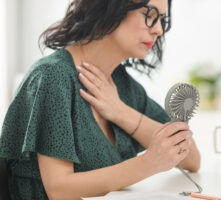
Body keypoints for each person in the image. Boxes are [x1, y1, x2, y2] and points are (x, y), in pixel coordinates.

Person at [0, 0, 201, 199]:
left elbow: (191, 159)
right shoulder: (52, 77)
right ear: (111, 6)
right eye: (149, 14)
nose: (158, 30)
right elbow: (59, 189)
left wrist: (120, 112)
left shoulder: (122, 86)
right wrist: (148, 163)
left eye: (162, 20)